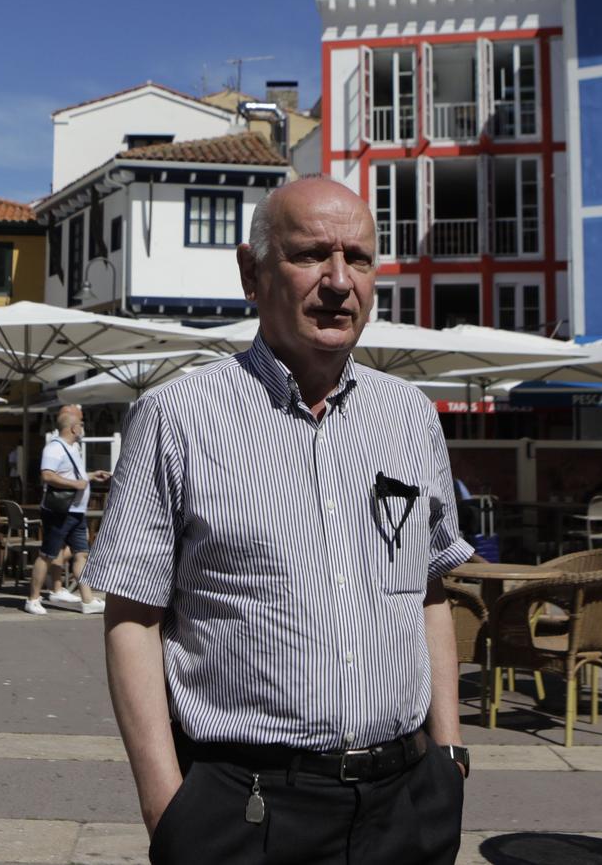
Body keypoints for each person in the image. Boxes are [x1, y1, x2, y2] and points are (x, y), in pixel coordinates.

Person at [86, 177, 472, 864]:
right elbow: (132, 617)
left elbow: (429, 591)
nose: (338, 280)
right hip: (247, 806)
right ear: (251, 273)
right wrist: (167, 809)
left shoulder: (411, 416)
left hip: (404, 800)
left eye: (357, 257)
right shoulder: (178, 417)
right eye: (310, 255)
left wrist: (448, 754)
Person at [24, 405, 108, 616]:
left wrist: (90, 476)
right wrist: (76, 485)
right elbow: (48, 475)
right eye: (80, 424)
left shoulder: (71, 448)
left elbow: (71, 475)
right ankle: (32, 599)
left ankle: (87, 601)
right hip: (59, 512)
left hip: (76, 511)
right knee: (47, 554)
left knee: (82, 555)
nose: (82, 428)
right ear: (72, 428)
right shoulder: (54, 448)